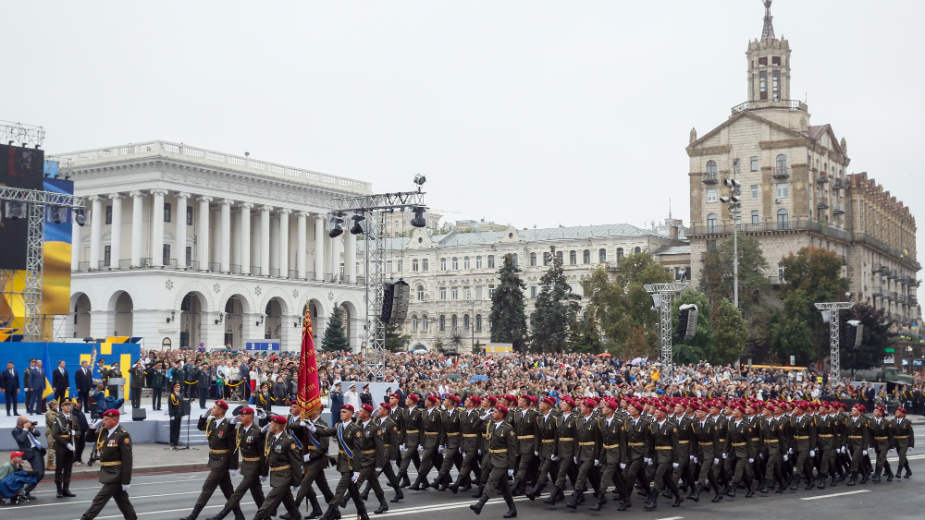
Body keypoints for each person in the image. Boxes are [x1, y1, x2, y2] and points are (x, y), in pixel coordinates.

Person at [180, 400, 243, 520]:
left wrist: (234, 467)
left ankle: (193, 516)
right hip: (214, 459)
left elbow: (233, 447)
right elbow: (200, 427)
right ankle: (239, 515)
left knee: (207, 488)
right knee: (228, 490)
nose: (212, 409)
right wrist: (204, 416)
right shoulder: (212, 422)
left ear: (220, 411)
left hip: (222, 461)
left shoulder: (229, 425)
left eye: (214, 408)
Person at [206, 407, 264, 520]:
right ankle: (266, 516)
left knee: (238, 493)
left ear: (250, 417)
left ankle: (220, 516)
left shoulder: (257, 431)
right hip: (246, 466)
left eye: (243, 415)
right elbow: (227, 435)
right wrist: (232, 423)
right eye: (240, 415)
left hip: (254, 467)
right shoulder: (241, 429)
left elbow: (263, 454)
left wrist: (263, 471)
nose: (240, 417)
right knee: (258, 494)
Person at [79, 409, 136, 520]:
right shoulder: (104, 431)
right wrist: (92, 428)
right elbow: (89, 438)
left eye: (106, 419)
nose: (103, 421)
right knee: (123, 502)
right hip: (107, 471)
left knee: (99, 500)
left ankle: (85, 518)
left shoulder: (123, 435)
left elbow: (127, 460)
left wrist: (126, 480)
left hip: (116, 474)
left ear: (114, 420)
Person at [317, 404, 369, 520]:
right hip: (342, 463)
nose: (341, 413)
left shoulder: (355, 429)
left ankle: (328, 515)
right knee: (354, 491)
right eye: (341, 411)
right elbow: (325, 432)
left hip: (350, 465)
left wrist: (356, 470)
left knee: (340, 490)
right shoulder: (338, 426)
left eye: (344, 412)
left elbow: (358, 451)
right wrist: (311, 427)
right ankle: (364, 515)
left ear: (351, 414)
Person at [469, 404, 517, 518]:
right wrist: (481, 419)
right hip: (491, 458)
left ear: (501, 415)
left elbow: (512, 449)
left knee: (492, 481)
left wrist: (511, 467)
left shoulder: (507, 428)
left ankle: (480, 504)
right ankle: (512, 509)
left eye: (495, 412)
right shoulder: (491, 425)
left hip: (502, 460)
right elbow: (474, 428)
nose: (493, 413)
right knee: (504, 487)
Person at [253, 414, 303, 520]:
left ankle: (257, 517)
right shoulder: (272, 438)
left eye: (272, 423)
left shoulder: (288, 441)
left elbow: (296, 463)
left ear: (278, 426)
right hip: (276, 475)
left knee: (269, 501)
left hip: (284, 476)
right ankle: (296, 516)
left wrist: (296, 481)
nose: (270, 424)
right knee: (288, 501)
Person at [11, 415, 45, 498]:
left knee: (41, 473)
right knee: (39, 473)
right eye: (26, 421)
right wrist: (25, 429)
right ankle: (25, 491)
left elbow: (38, 434)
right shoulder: (15, 430)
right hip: (31, 453)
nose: (28, 422)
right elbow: (21, 439)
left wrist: (32, 428)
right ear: (21, 423)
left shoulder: (28, 428)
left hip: (38, 450)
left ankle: (26, 491)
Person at [51, 399, 77, 498]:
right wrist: (66, 444)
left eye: (69, 405)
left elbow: (78, 430)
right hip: (61, 446)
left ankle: (66, 489)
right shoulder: (57, 418)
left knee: (68, 468)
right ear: (61, 407)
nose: (67, 407)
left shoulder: (73, 417)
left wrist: (76, 433)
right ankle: (59, 490)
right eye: (65, 405)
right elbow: (55, 434)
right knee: (59, 468)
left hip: (71, 445)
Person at [892, 407, 914, 479]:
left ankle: (899, 472)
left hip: (904, 441)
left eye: (898, 412)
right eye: (896, 412)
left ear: (903, 414)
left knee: (901, 456)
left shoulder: (907, 422)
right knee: (903, 457)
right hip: (896, 442)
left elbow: (911, 433)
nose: (896, 413)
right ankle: (908, 471)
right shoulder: (893, 421)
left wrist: (911, 445)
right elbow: (891, 433)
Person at [72, 399, 90, 465]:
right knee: (77, 446)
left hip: (82, 431)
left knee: (82, 445)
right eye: (78, 403)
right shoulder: (73, 412)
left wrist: (87, 428)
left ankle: (79, 459)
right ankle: (75, 460)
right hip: (77, 432)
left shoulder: (79, 411)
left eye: (80, 403)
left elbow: (84, 421)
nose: (80, 404)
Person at [168, 383, 184, 449]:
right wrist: (171, 415)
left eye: (179, 387)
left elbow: (182, 404)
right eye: (177, 387)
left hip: (179, 414)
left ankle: (176, 442)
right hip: (174, 414)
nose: (178, 388)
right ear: (174, 388)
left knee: (178, 428)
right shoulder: (172, 395)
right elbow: (170, 406)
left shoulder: (180, 395)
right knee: (173, 429)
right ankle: (172, 442)